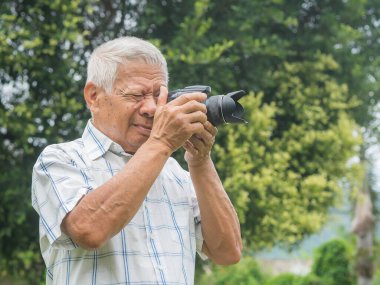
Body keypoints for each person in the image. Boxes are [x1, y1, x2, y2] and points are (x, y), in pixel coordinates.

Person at [32, 36, 242, 285]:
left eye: (158, 95)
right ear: (93, 96)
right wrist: (161, 143)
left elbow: (228, 252)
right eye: (136, 95)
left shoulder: (176, 173)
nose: (152, 108)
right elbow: (88, 230)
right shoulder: (60, 160)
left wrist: (200, 160)